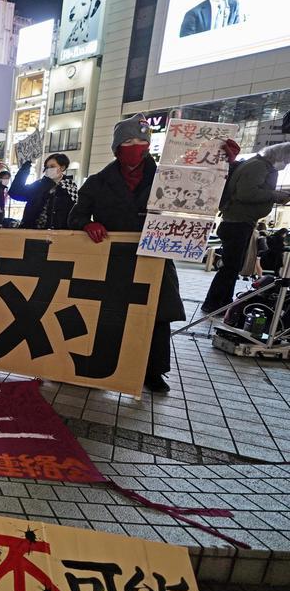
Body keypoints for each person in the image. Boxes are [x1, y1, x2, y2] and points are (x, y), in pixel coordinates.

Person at [67, 114, 185, 394]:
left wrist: (224, 163)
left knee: (157, 315)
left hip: (154, 257)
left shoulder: (167, 179)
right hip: (113, 260)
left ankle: (154, 371)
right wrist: (87, 223)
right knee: (110, 312)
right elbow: (76, 215)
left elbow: (208, 196)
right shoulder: (98, 182)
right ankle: (103, 365)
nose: (136, 147)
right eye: (129, 141)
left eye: (142, 141)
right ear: (117, 147)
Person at [201, 142, 290, 313]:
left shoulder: (256, 165)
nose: (285, 165)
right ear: (279, 157)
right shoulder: (258, 167)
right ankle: (215, 303)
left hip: (238, 222)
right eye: (286, 161)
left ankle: (221, 302)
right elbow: (246, 193)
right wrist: (274, 195)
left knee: (232, 266)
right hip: (237, 223)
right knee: (231, 266)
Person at [9, 154, 78, 230]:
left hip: (58, 235)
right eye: (47, 167)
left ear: (62, 167)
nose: (49, 169)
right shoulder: (39, 185)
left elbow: (75, 213)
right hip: (33, 232)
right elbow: (15, 192)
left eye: (52, 166)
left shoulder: (70, 187)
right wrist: (25, 168)